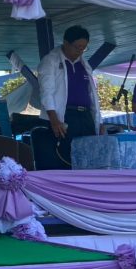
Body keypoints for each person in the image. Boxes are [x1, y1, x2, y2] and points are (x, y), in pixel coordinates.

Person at [35, 25, 101, 169]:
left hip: (85, 117)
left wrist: (99, 122)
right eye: (77, 47)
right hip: (65, 116)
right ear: (66, 43)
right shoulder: (50, 61)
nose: (80, 51)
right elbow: (46, 92)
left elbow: (92, 96)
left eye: (84, 48)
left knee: (88, 156)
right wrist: (54, 120)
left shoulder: (84, 64)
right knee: (66, 157)